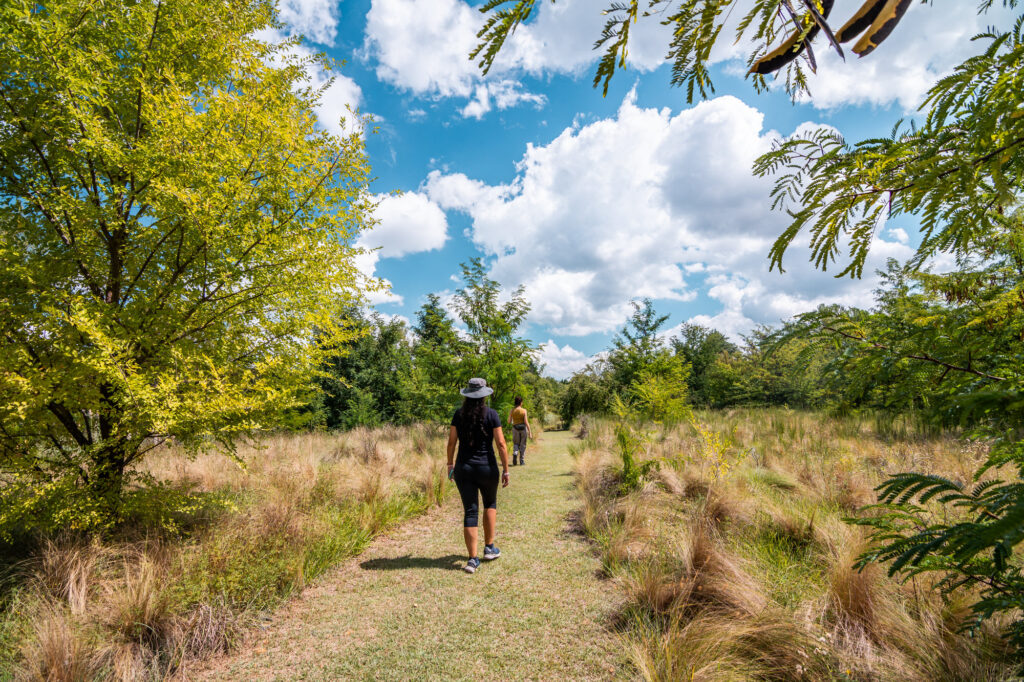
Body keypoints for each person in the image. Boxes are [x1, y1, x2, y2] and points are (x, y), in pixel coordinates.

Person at [446, 377, 510, 574]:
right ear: (484, 395)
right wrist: (506, 469)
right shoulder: (492, 414)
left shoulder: (458, 415)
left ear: (467, 394)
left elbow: (451, 443)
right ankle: (489, 548)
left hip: (464, 469)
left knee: (470, 511)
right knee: (490, 504)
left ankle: (472, 559)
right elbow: (501, 444)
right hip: (487, 468)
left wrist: (450, 464)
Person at [508, 396, 532, 466]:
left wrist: (513, 420)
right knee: (523, 445)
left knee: (516, 443)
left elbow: (509, 421)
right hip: (523, 429)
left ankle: (515, 453)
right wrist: (530, 432)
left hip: (515, 429)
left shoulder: (512, 410)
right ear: (521, 403)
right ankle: (521, 461)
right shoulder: (524, 410)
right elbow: (526, 421)